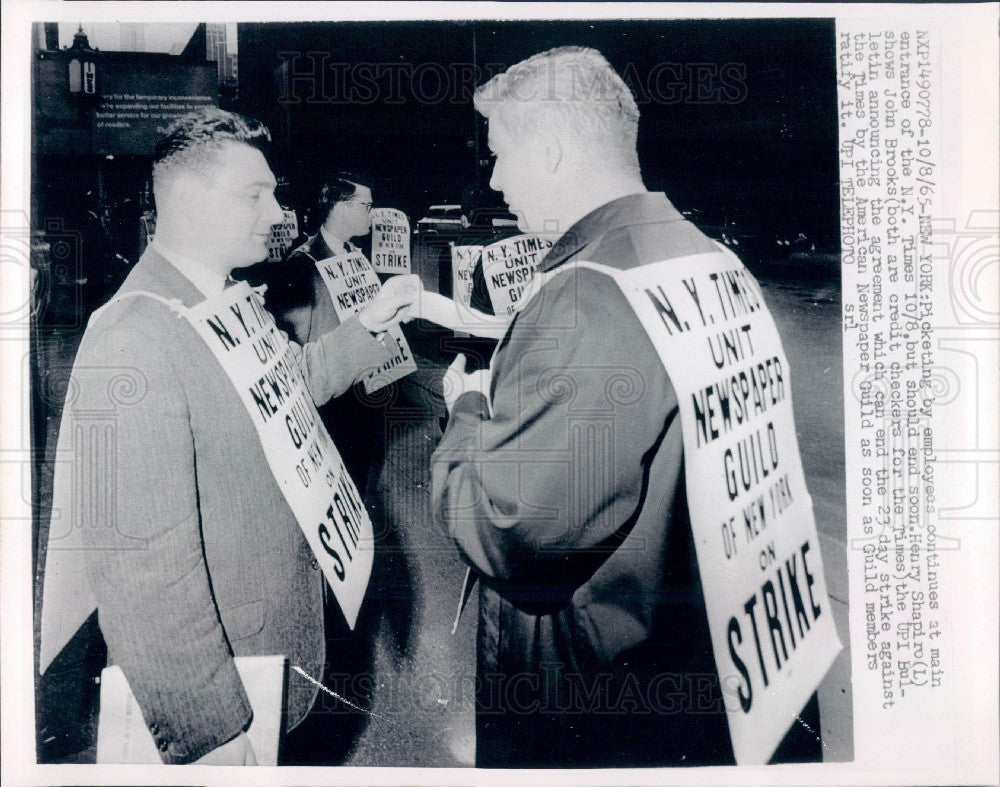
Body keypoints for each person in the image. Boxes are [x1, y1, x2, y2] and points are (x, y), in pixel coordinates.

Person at [431, 47, 822, 767]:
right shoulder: (704, 256)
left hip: (588, 699)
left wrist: (466, 409)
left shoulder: (589, 292)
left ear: (547, 151)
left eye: (499, 156)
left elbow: (506, 529)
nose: (493, 180)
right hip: (696, 667)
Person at [38, 108, 420, 765]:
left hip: (273, 649)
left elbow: (291, 380)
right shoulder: (134, 337)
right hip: (228, 688)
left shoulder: (229, 297)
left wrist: (373, 324)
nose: (278, 212)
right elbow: (142, 568)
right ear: (188, 200)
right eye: (256, 194)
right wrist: (211, 730)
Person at [238, 173, 385, 490]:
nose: (372, 214)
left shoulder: (356, 256)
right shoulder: (302, 263)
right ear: (342, 207)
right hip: (332, 404)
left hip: (364, 394)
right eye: (366, 206)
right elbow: (298, 345)